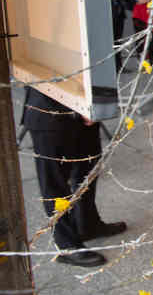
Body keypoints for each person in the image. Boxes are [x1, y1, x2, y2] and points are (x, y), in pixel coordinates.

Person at [22, 87, 127, 267]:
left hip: (85, 106)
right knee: (54, 182)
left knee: (87, 171)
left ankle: (88, 225)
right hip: (49, 111)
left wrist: (97, 104)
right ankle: (66, 245)